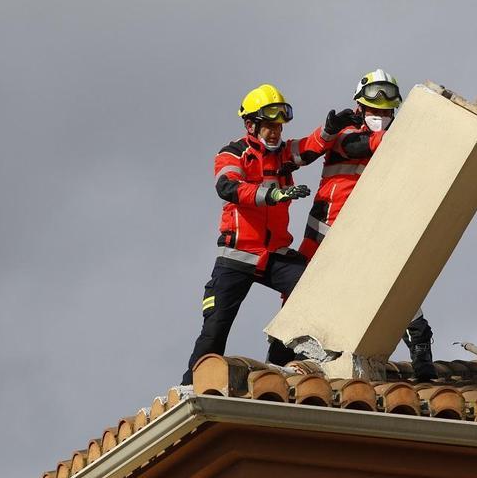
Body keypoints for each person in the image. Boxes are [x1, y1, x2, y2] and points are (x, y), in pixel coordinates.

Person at [293, 69, 439, 382]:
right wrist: (406, 136)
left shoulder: (399, 137)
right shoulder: (345, 129)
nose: (380, 113)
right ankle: (285, 353)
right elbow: (356, 146)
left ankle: (420, 347)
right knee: (304, 289)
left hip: (375, 221)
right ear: (360, 106)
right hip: (330, 220)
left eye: (386, 109)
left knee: (395, 283)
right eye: (373, 107)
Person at [181, 84, 317, 385]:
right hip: (237, 254)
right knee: (215, 329)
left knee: (309, 289)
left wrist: (331, 130)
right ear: (250, 125)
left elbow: (310, 147)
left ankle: (279, 364)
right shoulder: (233, 153)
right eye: (269, 125)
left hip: (276, 254)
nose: (275, 132)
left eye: (279, 126)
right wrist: (272, 194)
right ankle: (191, 388)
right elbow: (227, 186)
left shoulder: (283, 154)